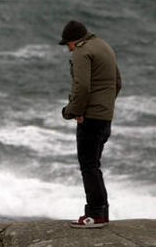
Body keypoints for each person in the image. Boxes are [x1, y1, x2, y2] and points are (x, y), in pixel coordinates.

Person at [59, 20, 122, 228]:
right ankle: (101, 214)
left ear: (73, 41)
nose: (68, 49)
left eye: (67, 44)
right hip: (105, 117)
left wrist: (72, 112)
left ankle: (94, 214)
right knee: (94, 165)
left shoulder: (81, 52)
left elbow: (82, 87)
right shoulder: (104, 46)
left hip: (90, 118)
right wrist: (104, 107)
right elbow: (118, 83)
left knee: (88, 166)